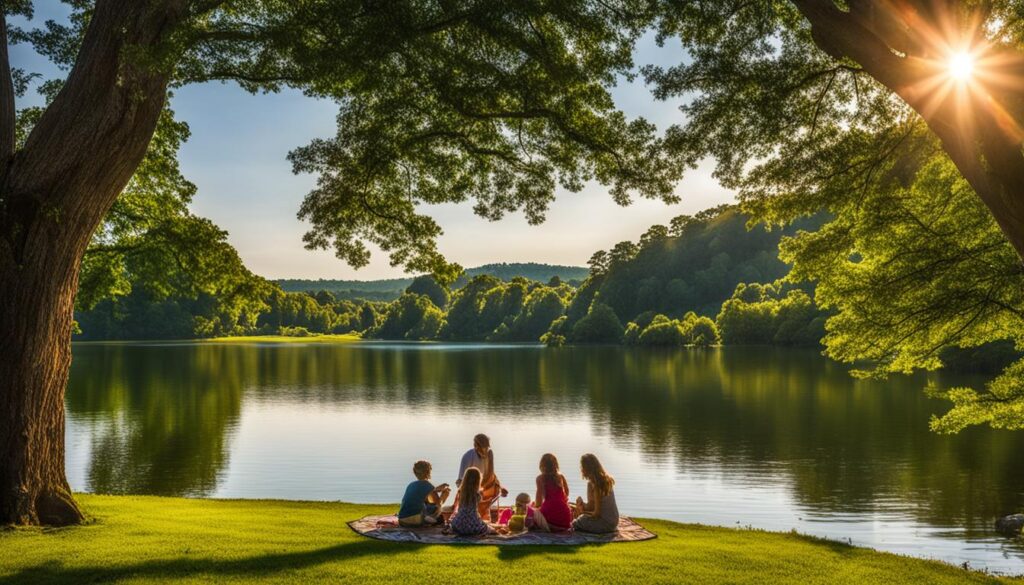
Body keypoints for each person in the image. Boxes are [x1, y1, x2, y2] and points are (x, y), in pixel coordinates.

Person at [456, 433, 506, 518]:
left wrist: (501, 487)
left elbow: (491, 474)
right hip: (469, 487)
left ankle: (484, 511)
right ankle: (479, 512)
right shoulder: (468, 456)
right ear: (475, 446)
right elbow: (460, 481)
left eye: (487, 447)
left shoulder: (489, 453)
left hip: (484, 486)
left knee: (494, 485)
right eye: (483, 448)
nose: (485, 451)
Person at [572, 453, 620, 534]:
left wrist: (581, 512)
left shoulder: (596, 484)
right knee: (579, 516)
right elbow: (592, 506)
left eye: (582, 467)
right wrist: (581, 504)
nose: (581, 469)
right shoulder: (605, 480)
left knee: (576, 523)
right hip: (614, 521)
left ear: (586, 468)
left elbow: (596, 514)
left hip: (605, 523)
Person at [397, 460, 450, 527]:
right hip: (414, 521)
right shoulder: (428, 485)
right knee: (440, 518)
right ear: (428, 472)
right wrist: (444, 495)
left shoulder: (411, 485)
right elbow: (438, 506)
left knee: (428, 506)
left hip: (402, 520)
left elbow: (423, 497)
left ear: (415, 472)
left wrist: (435, 490)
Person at [449, 467, 496, 536]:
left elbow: (459, 509)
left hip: (459, 524)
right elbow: (477, 511)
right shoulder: (477, 495)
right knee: (492, 530)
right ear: (478, 480)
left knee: (454, 524)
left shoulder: (460, 492)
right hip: (473, 524)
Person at [533, 453, 572, 532]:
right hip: (565, 521)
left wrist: (534, 507)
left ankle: (549, 526)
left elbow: (538, 503)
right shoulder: (561, 476)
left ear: (542, 465)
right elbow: (567, 493)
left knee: (532, 512)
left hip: (550, 519)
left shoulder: (540, 478)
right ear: (555, 465)